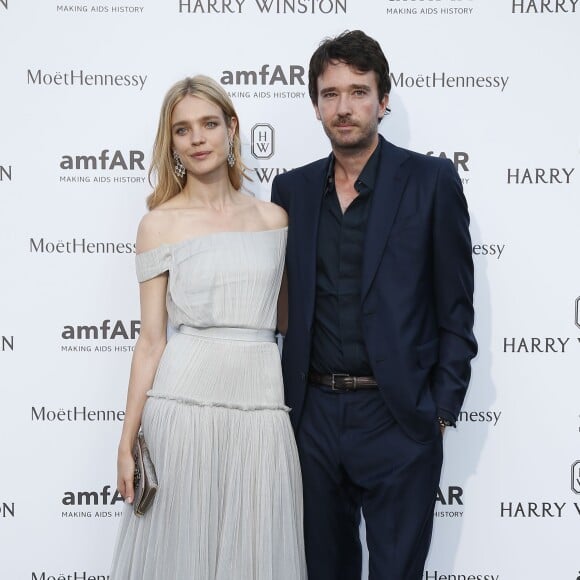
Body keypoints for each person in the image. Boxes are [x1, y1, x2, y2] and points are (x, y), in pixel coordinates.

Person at [271, 30, 477, 580]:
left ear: (383, 100)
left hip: (398, 419)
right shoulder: (291, 190)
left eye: (359, 91)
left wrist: (436, 412)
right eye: (331, 93)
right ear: (315, 103)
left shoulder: (431, 181)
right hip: (313, 420)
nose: (344, 107)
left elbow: (456, 308)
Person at [110, 75, 306, 580]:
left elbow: (284, 321)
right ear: (171, 142)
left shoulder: (275, 219)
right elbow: (151, 341)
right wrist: (127, 441)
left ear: (232, 129)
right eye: (182, 130)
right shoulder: (159, 223)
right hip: (183, 407)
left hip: (262, 404)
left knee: (257, 552)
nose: (197, 138)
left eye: (209, 124)